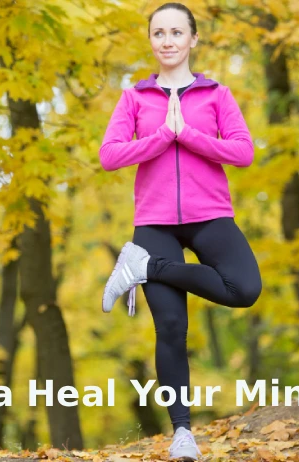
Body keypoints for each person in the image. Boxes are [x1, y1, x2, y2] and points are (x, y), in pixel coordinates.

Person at [98, 2, 263, 461]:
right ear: (151, 41)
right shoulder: (134, 97)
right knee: (171, 327)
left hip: (210, 215)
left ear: (193, 39)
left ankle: (143, 267)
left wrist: (186, 134)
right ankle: (183, 434)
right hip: (154, 222)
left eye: (176, 32)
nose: (167, 40)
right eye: (159, 33)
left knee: (245, 289)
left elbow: (243, 152)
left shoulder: (217, 95)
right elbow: (109, 155)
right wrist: (161, 138)